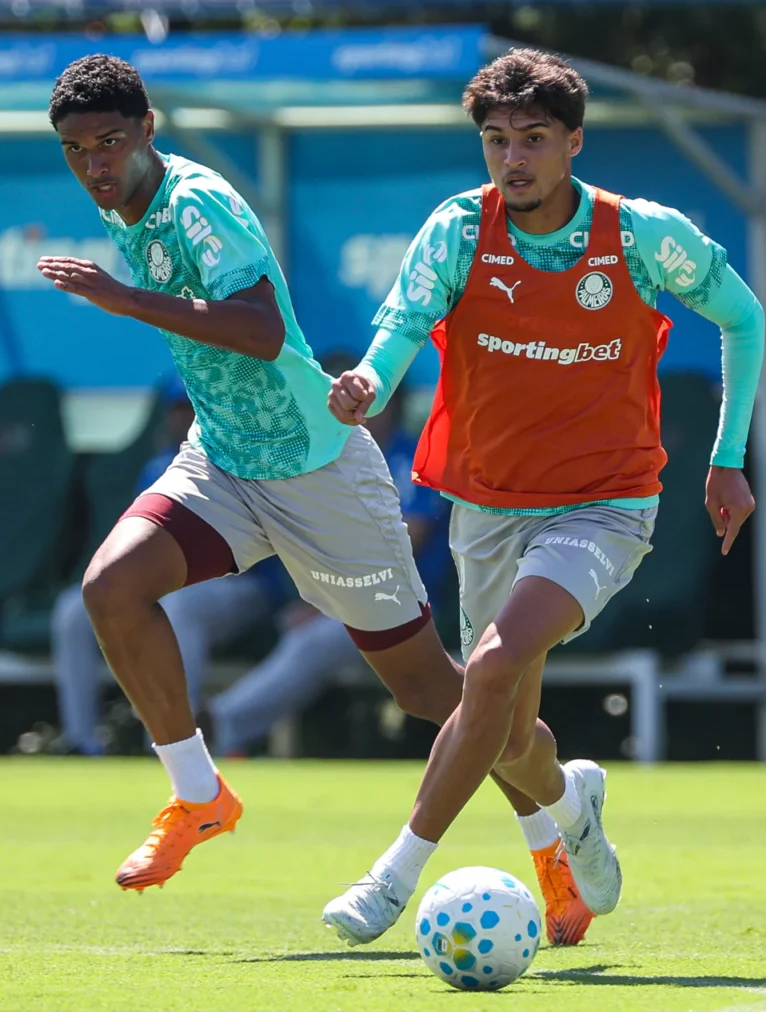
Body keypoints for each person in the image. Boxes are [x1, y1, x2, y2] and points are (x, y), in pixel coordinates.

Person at [39, 53, 591, 946]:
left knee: (436, 695)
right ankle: (198, 795)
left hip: (318, 470)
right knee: (110, 587)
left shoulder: (197, 203)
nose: (95, 164)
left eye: (109, 142)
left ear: (147, 130)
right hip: (222, 459)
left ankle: (555, 824)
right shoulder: (122, 203)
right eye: (76, 150)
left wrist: (125, 300)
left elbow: (261, 331)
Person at [324, 48, 765, 944]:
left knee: (488, 670)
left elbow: (744, 316)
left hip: (605, 505)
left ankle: (391, 878)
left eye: (533, 138)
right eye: (496, 139)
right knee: (506, 733)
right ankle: (574, 805)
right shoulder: (458, 230)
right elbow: (401, 326)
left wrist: (727, 458)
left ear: (573, 143)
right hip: (486, 506)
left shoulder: (640, 236)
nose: (513, 157)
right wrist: (369, 380)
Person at [201, 381, 451, 758]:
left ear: (392, 405)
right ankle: (228, 732)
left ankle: (220, 725)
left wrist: (330, 604)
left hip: (409, 599)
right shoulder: (330, 458)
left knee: (315, 638)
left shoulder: (412, 455)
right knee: (299, 628)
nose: (358, 411)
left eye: (368, 403)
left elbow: (407, 540)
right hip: (351, 596)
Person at [52, 376, 287, 755]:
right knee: (72, 610)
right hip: (172, 582)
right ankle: (82, 742)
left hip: (241, 583)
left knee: (180, 608)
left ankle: (175, 744)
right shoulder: (158, 466)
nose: (184, 417)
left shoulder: (249, 458)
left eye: (192, 408)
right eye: (178, 409)